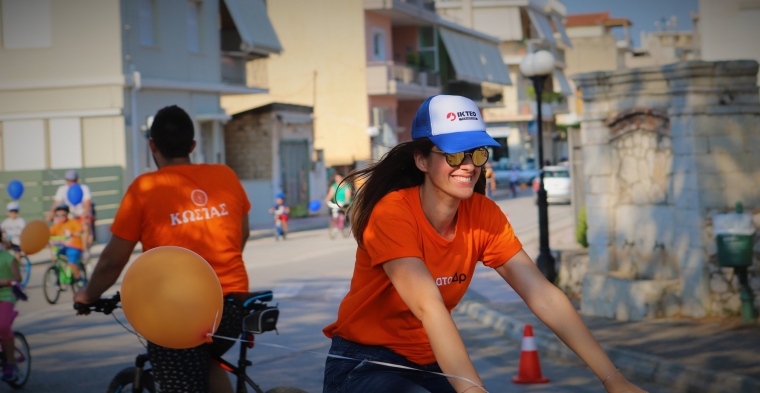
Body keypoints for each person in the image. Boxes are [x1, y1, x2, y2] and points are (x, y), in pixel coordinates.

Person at [322, 95, 646, 393]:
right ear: (421, 159)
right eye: (453, 154)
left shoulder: (483, 215)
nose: (469, 164)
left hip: (429, 363)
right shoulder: (392, 212)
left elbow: (543, 295)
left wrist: (614, 379)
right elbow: (429, 307)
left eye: (477, 152)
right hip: (365, 363)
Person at [74, 105, 251, 393]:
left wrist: (87, 294)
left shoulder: (144, 188)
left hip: (177, 314)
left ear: (152, 145)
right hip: (232, 310)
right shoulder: (225, 175)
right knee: (206, 359)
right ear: (193, 145)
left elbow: (111, 261)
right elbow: (242, 234)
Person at [46, 170, 93, 256]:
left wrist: (85, 213)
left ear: (77, 180)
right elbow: (55, 203)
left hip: (80, 216)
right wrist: (51, 215)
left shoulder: (84, 188)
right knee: (53, 230)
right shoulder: (62, 189)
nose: (70, 182)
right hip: (67, 217)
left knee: (85, 227)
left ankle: (84, 250)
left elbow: (87, 204)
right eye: (68, 180)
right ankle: (55, 256)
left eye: (72, 180)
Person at [0, 233, 21, 382]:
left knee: (2, 325)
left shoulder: (7, 257)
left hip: (6, 295)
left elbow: (18, 277)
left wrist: (7, 281)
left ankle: (11, 364)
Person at [49, 205, 86, 287]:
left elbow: (80, 229)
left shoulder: (72, 222)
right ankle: (56, 270)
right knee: (54, 251)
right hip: (63, 246)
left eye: (63, 215)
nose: (60, 217)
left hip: (74, 246)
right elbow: (49, 232)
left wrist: (74, 233)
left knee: (71, 262)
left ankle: (79, 279)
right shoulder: (57, 225)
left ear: (67, 214)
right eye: (57, 215)